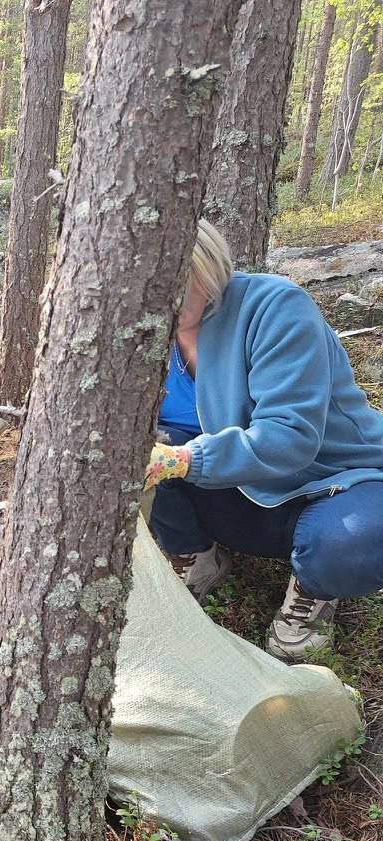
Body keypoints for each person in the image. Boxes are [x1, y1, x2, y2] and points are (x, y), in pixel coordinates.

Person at [144, 219, 383, 661]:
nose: (159, 298)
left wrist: (179, 461)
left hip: (334, 482)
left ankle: (315, 588)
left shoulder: (275, 307)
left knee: (357, 538)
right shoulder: (139, 335)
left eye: (173, 277)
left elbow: (290, 436)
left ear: (205, 264)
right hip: (240, 490)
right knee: (140, 447)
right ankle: (196, 556)